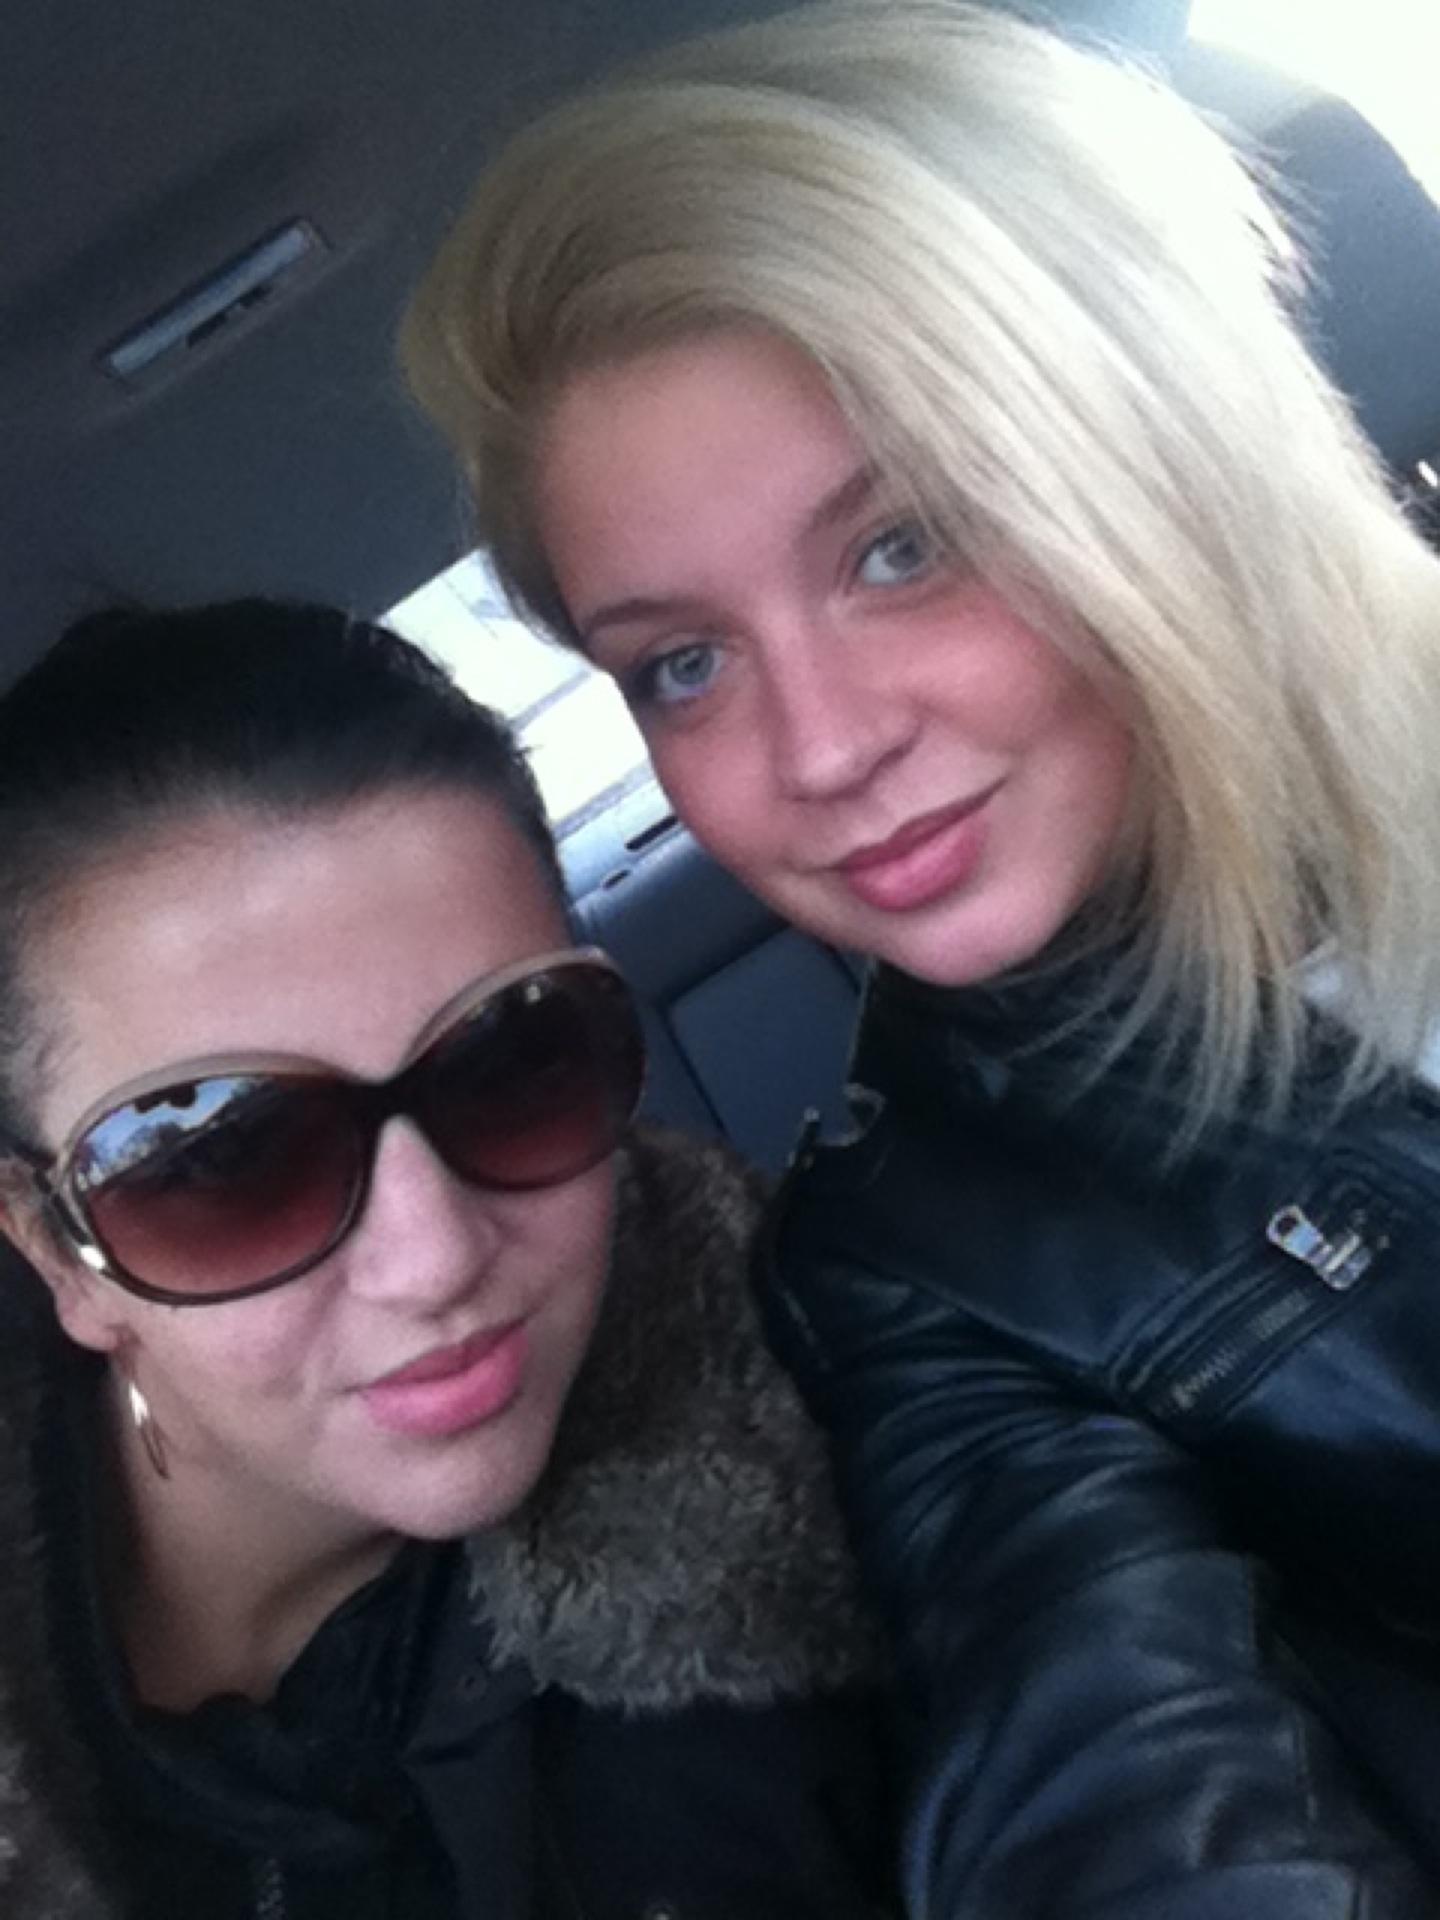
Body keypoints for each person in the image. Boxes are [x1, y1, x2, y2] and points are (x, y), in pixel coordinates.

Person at [402, 2, 1440, 1913]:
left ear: (1159, 432)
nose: (817, 750)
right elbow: (1105, 1754)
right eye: (681, 664)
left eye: (904, 546)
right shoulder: (920, 1258)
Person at [0, 599, 894, 1920]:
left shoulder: (867, 1456)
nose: (434, 1260)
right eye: (226, 1158)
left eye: (513, 1057)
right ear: (58, 1252)